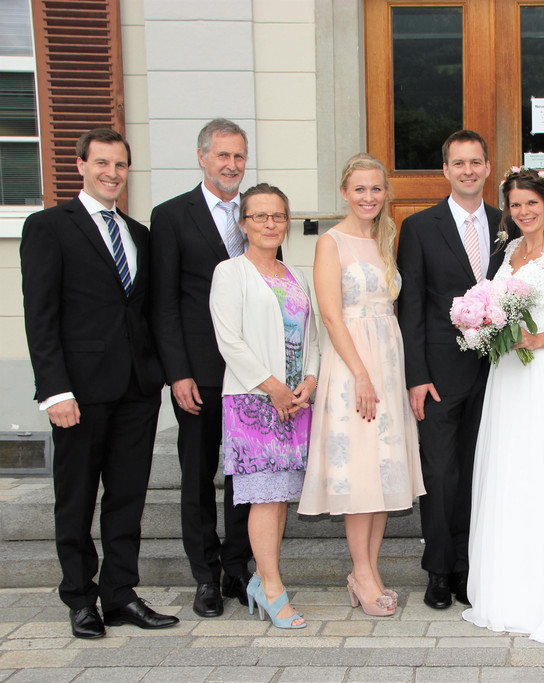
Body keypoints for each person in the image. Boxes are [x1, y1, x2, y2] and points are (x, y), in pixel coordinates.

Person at [21, 128, 179, 638]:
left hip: (137, 389)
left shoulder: (139, 233)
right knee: (76, 498)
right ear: (81, 165)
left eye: (120, 164)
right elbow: (40, 315)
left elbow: (146, 309)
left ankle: (120, 594)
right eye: (102, 163)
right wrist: (55, 390)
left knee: (127, 498)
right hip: (79, 392)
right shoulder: (49, 226)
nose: (112, 173)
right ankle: (79, 598)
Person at [461, 168, 544, 644]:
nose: (523, 212)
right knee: (507, 472)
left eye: (531, 203)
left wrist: (538, 340)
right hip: (506, 377)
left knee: (540, 472)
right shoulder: (511, 251)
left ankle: (542, 592)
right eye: (515, 204)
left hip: (540, 375)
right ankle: (505, 588)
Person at [298, 154, 425, 616]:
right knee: (361, 472)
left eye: (376, 188)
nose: (368, 197)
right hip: (353, 366)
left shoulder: (386, 239)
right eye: (359, 189)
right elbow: (331, 316)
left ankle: (367, 571)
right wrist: (361, 374)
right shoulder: (330, 243)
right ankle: (362, 573)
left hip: (388, 362)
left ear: (385, 192)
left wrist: (388, 373)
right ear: (344, 192)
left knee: (383, 470)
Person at [396, 130, 518, 609]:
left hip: (496, 371)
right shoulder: (418, 227)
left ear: (488, 168)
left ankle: (469, 567)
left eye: (476, 162)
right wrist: (416, 375)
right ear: (445, 170)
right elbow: (410, 306)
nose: (468, 170)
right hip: (439, 375)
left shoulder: (507, 223)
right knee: (442, 473)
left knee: (478, 470)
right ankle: (439, 570)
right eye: (459, 163)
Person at [151, 118, 254, 618]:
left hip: (251, 372)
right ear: (202, 157)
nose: (232, 165)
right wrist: (178, 373)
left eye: (239, 156)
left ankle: (238, 567)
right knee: (197, 476)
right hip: (199, 372)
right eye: (222, 156)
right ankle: (205, 576)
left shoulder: (257, 212)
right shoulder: (171, 216)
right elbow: (164, 301)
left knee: (245, 474)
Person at [209, 183, 320, 629]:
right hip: (253, 402)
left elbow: (311, 336)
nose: (270, 224)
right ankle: (272, 586)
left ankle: (262, 581)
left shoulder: (295, 275)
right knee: (264, 497)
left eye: (278, 216)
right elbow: (229, 340)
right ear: (243, 223)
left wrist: (310, 380)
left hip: (295, 403)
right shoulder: (230, 272)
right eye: (259, 216)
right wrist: (273, 387)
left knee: (280, 497)